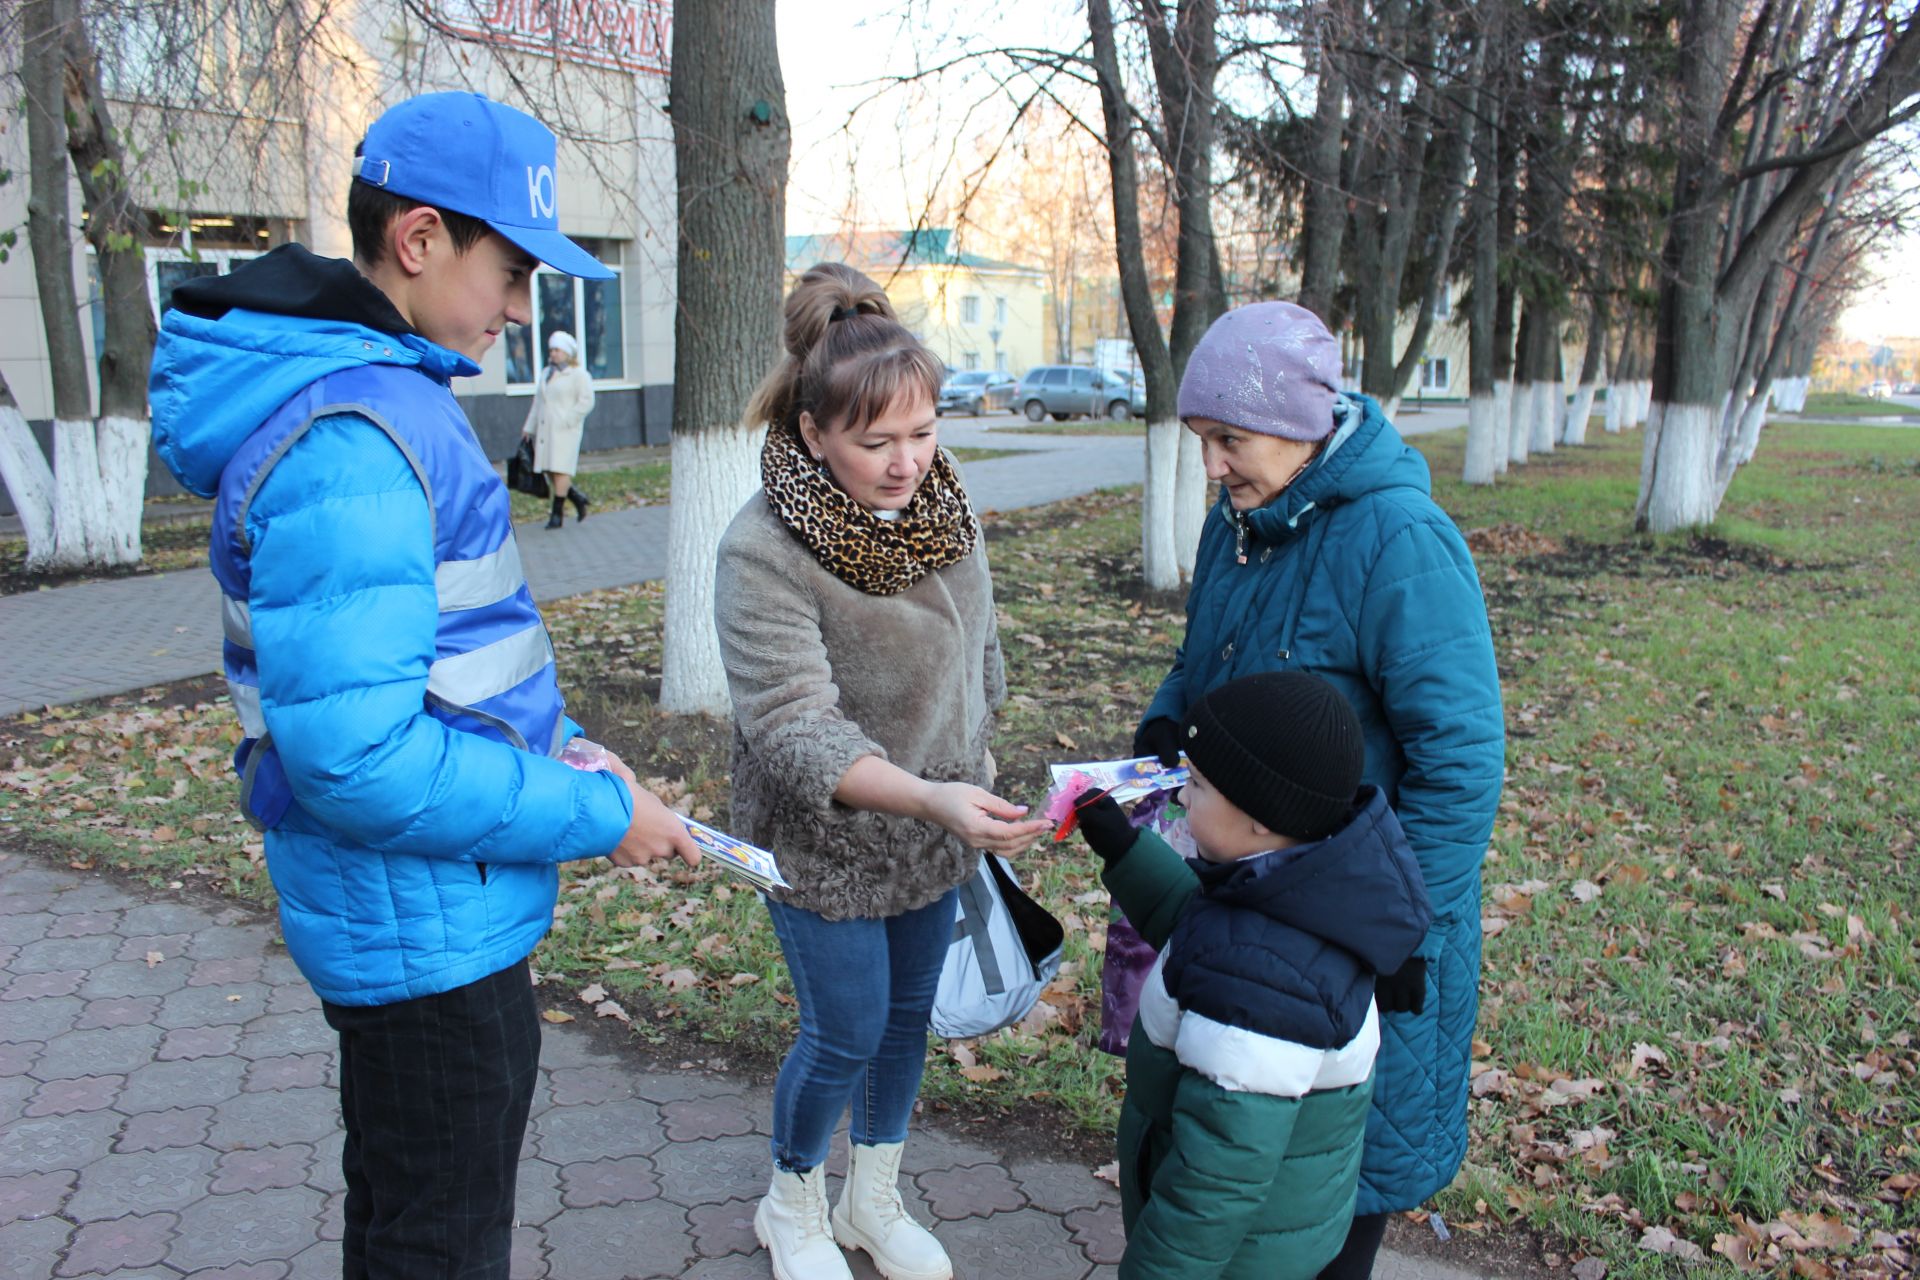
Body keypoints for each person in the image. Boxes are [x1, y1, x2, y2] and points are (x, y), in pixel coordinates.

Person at [147, 91, 699, 1279]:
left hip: (426, 917)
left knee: (409, 1220)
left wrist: (560, 749)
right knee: (436, 1244)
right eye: (508, 272)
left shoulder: (377, 401)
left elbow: (450, 668)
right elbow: (358, 758)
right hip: (421, 933)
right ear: (418, 241)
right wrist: (601, 816)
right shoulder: (359, 435)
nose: (517, 307)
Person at [1132, 300, 1505, 1279]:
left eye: (1229, 440)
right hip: (1248, 914)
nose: (1210, 466)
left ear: (1302, 426)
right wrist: (1172, 724)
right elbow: (1200, 662)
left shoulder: (1400, 541)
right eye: (1200, 440)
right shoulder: (1239, 523)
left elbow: (1461, 760)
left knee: (1327, 1209)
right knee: (1227, 1163)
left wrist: (1387, 930)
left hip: (1359, 944)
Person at [714, 262, 1053, 1280]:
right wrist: (930, 792)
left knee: (908, 1018)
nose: (909, 462)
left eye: (924, 430)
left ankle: (871, 1198)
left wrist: (974, 768)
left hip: (932, 826)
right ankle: (793, 1202)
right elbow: (795, 727)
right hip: (821, 839)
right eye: (877, 441)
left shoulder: (948, 515)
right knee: (846, 1025)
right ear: (814, 434)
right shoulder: (761, 547)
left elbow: (981, 651)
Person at [1074, 671, 1431, 1279]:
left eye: (1200, 785)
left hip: (1233, 1258)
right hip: (1268, 1237)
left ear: (1261, 816)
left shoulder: (1263, 986)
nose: (1183, 797)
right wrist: (1126, 850)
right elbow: (1207, 934)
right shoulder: (1300, 889)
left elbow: (1214, 1184)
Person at [523, 328, 595, 527]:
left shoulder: (578, 375)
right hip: (546, 430)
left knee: (561, 469)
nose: (553, 353)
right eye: (552, 350)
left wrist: (568, 419)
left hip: (566, 431)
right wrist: (529, 427)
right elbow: (538, 402)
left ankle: (557, 514)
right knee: (549, 469)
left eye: (557, 350)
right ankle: (577, 498)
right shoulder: (547, 373)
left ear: (567, 353)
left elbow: (587, 401)